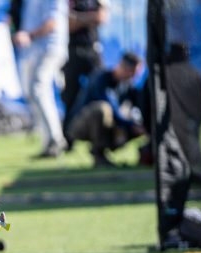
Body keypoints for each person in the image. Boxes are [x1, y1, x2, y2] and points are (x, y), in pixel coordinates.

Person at [66, 52, 144, 167]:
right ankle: (99, 155)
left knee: (133, 117)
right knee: (102, 109)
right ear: (123, 67)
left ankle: (109, 150)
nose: (134, 77)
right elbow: (111, 107)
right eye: (132, 72)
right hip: (79, 126)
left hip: (105, 127)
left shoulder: (126, 85)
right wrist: (130, 125)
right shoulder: (101, 78)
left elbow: (138, 104)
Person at [14, 0, 70, 158]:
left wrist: (29, 35)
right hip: (34, 49)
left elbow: (52, 22)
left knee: (39, 90)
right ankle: (48, 141)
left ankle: (55, 139)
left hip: (49, 47)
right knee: (32, 93)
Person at [62, 0, 108, 126]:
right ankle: (68, 135)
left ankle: (101, 135)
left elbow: (101, 17)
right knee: (70, 94)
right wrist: (90, 18)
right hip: (72, 51)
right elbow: (67, 23)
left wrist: (78, 19)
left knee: (100, 90)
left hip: (93, 50)